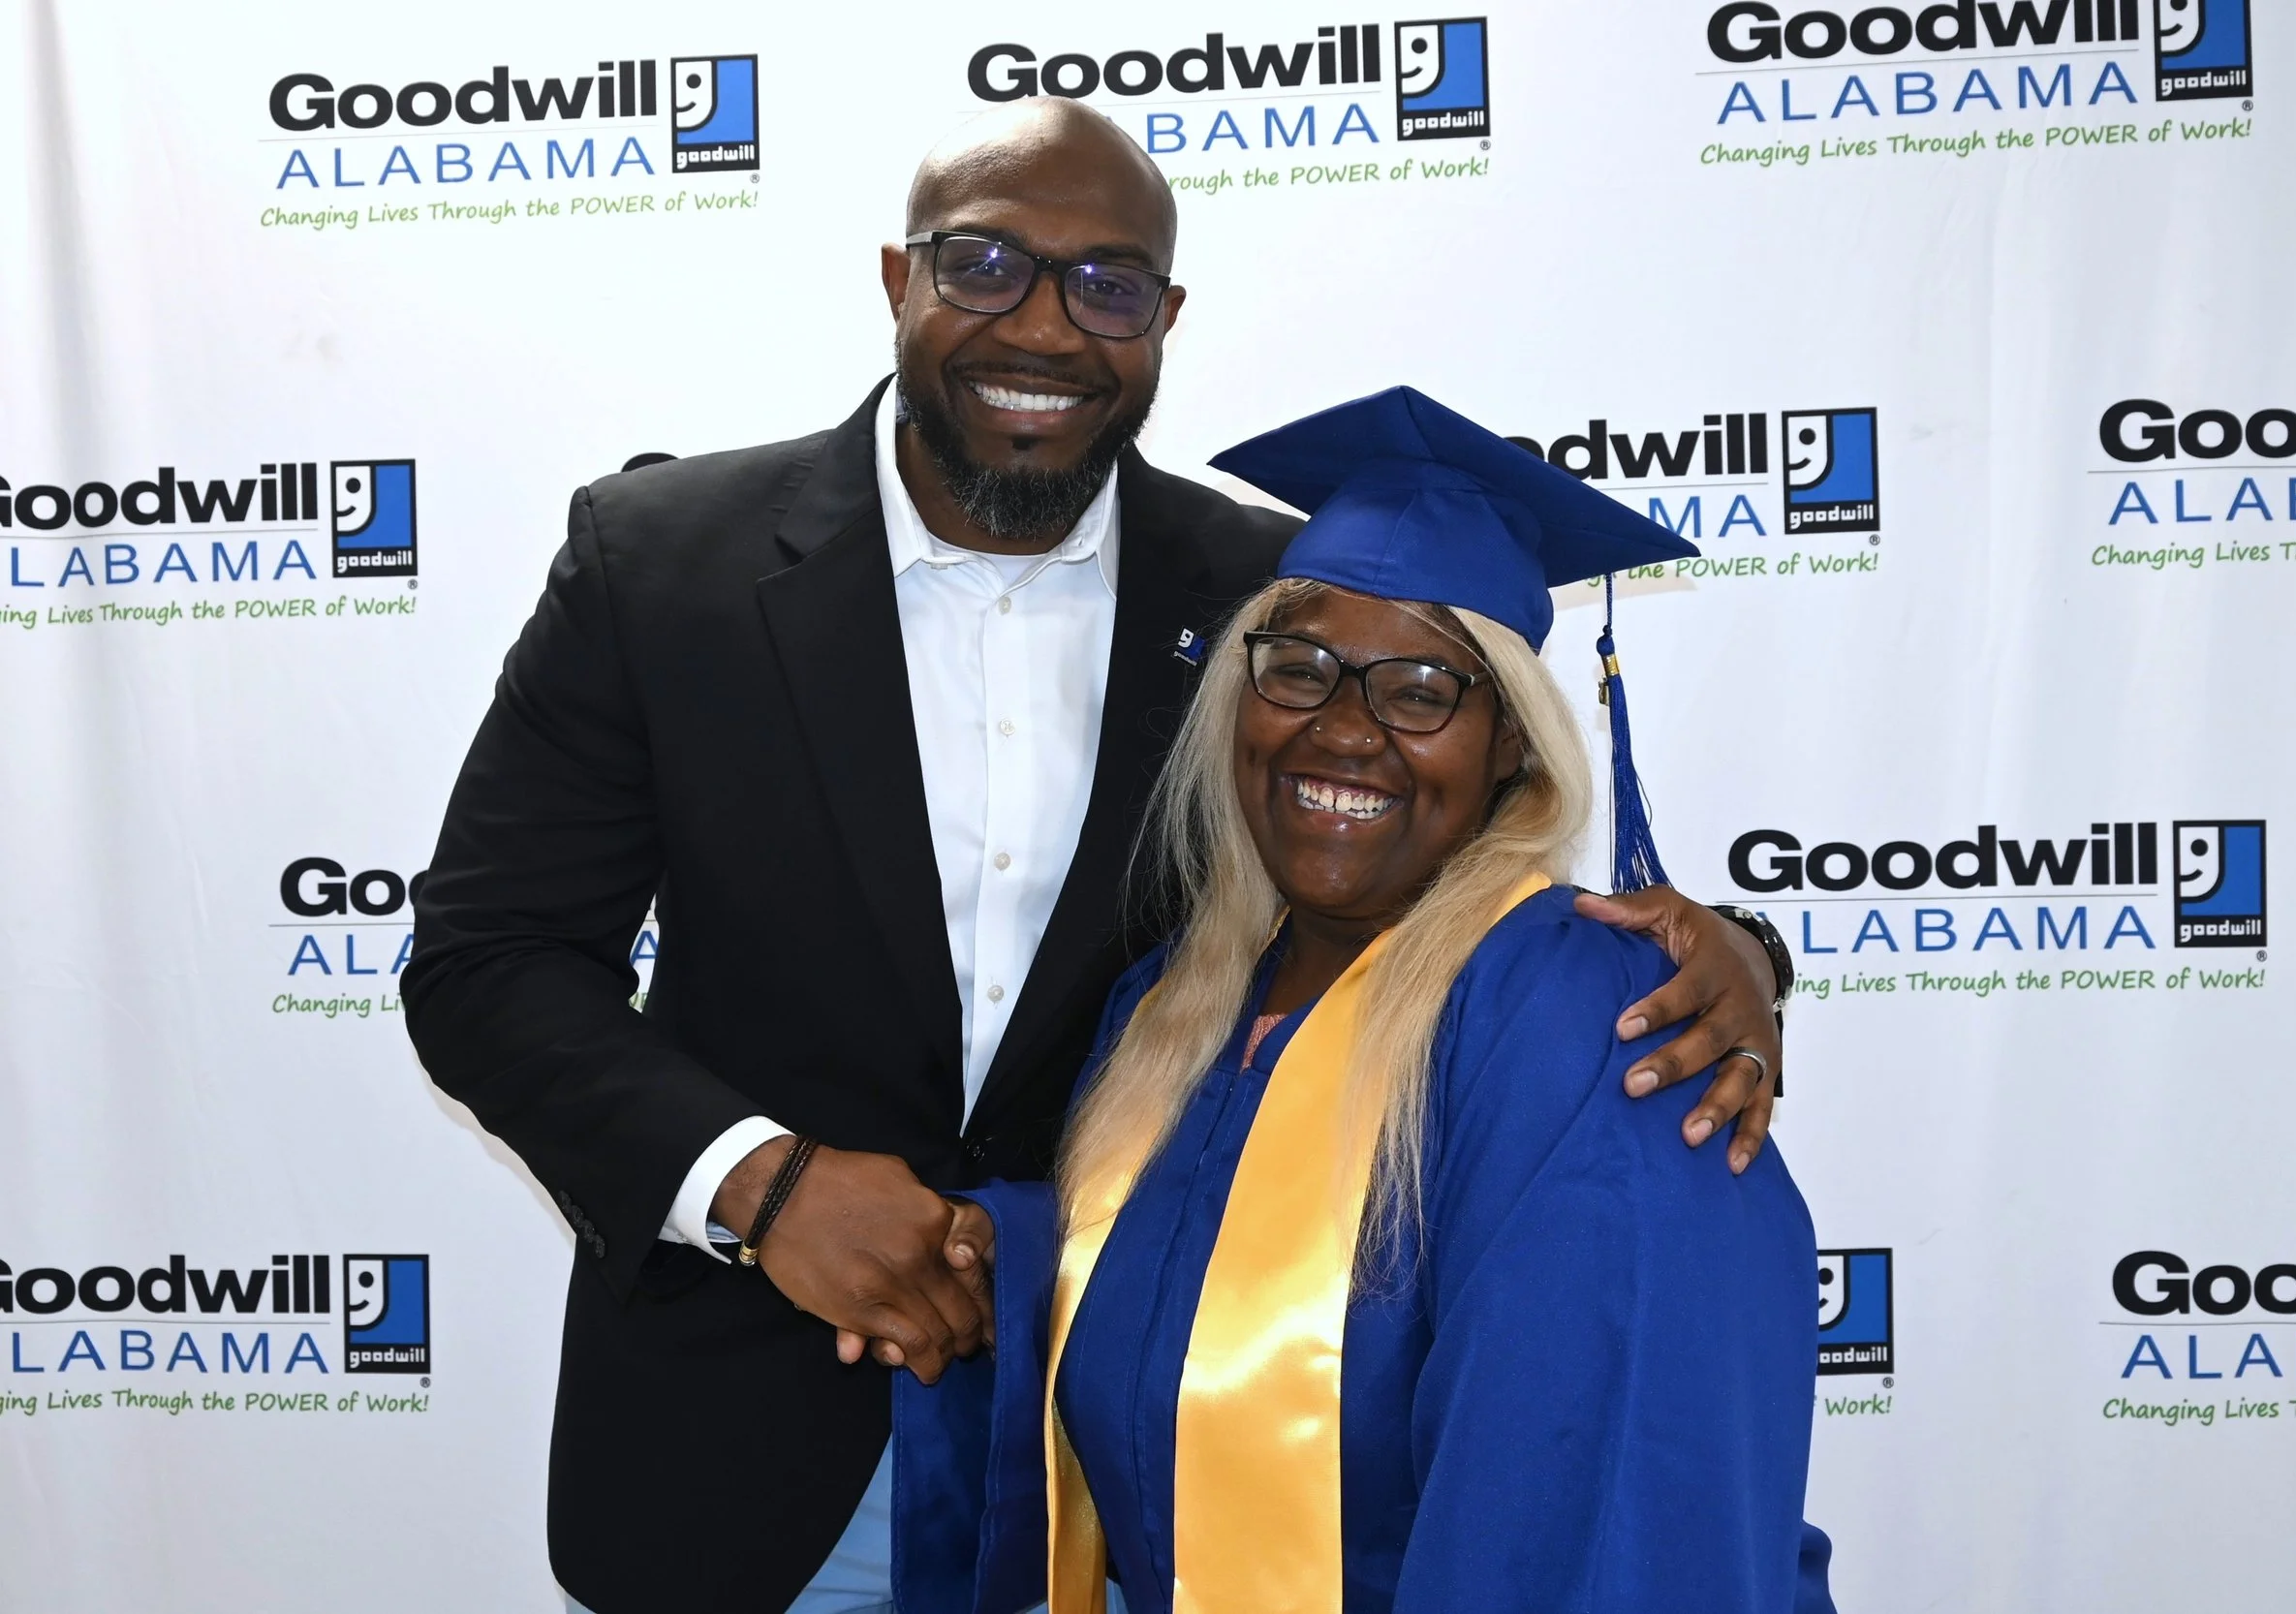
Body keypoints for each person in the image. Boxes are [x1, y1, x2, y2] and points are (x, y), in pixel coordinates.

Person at [402, 100, 1794, 1614]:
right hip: (744, 1446)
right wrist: (760, 1182)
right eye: (985, 264)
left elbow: (1417, 869)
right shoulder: (657, 559)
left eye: (1107, 283)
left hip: (1140, 1472)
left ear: (1166, 318)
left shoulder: (1271, 594)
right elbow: (488, 961)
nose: (1046, 326)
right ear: (898, 279)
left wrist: (1724, 955)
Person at [902, 388, 1831, 1614]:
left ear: (1512, 743)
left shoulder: (1586, 1021)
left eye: (1421, 690)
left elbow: (1599, 1492)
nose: (1344, 731)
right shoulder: (1175, 1009)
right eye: (1302, 670)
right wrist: (989, 1252)